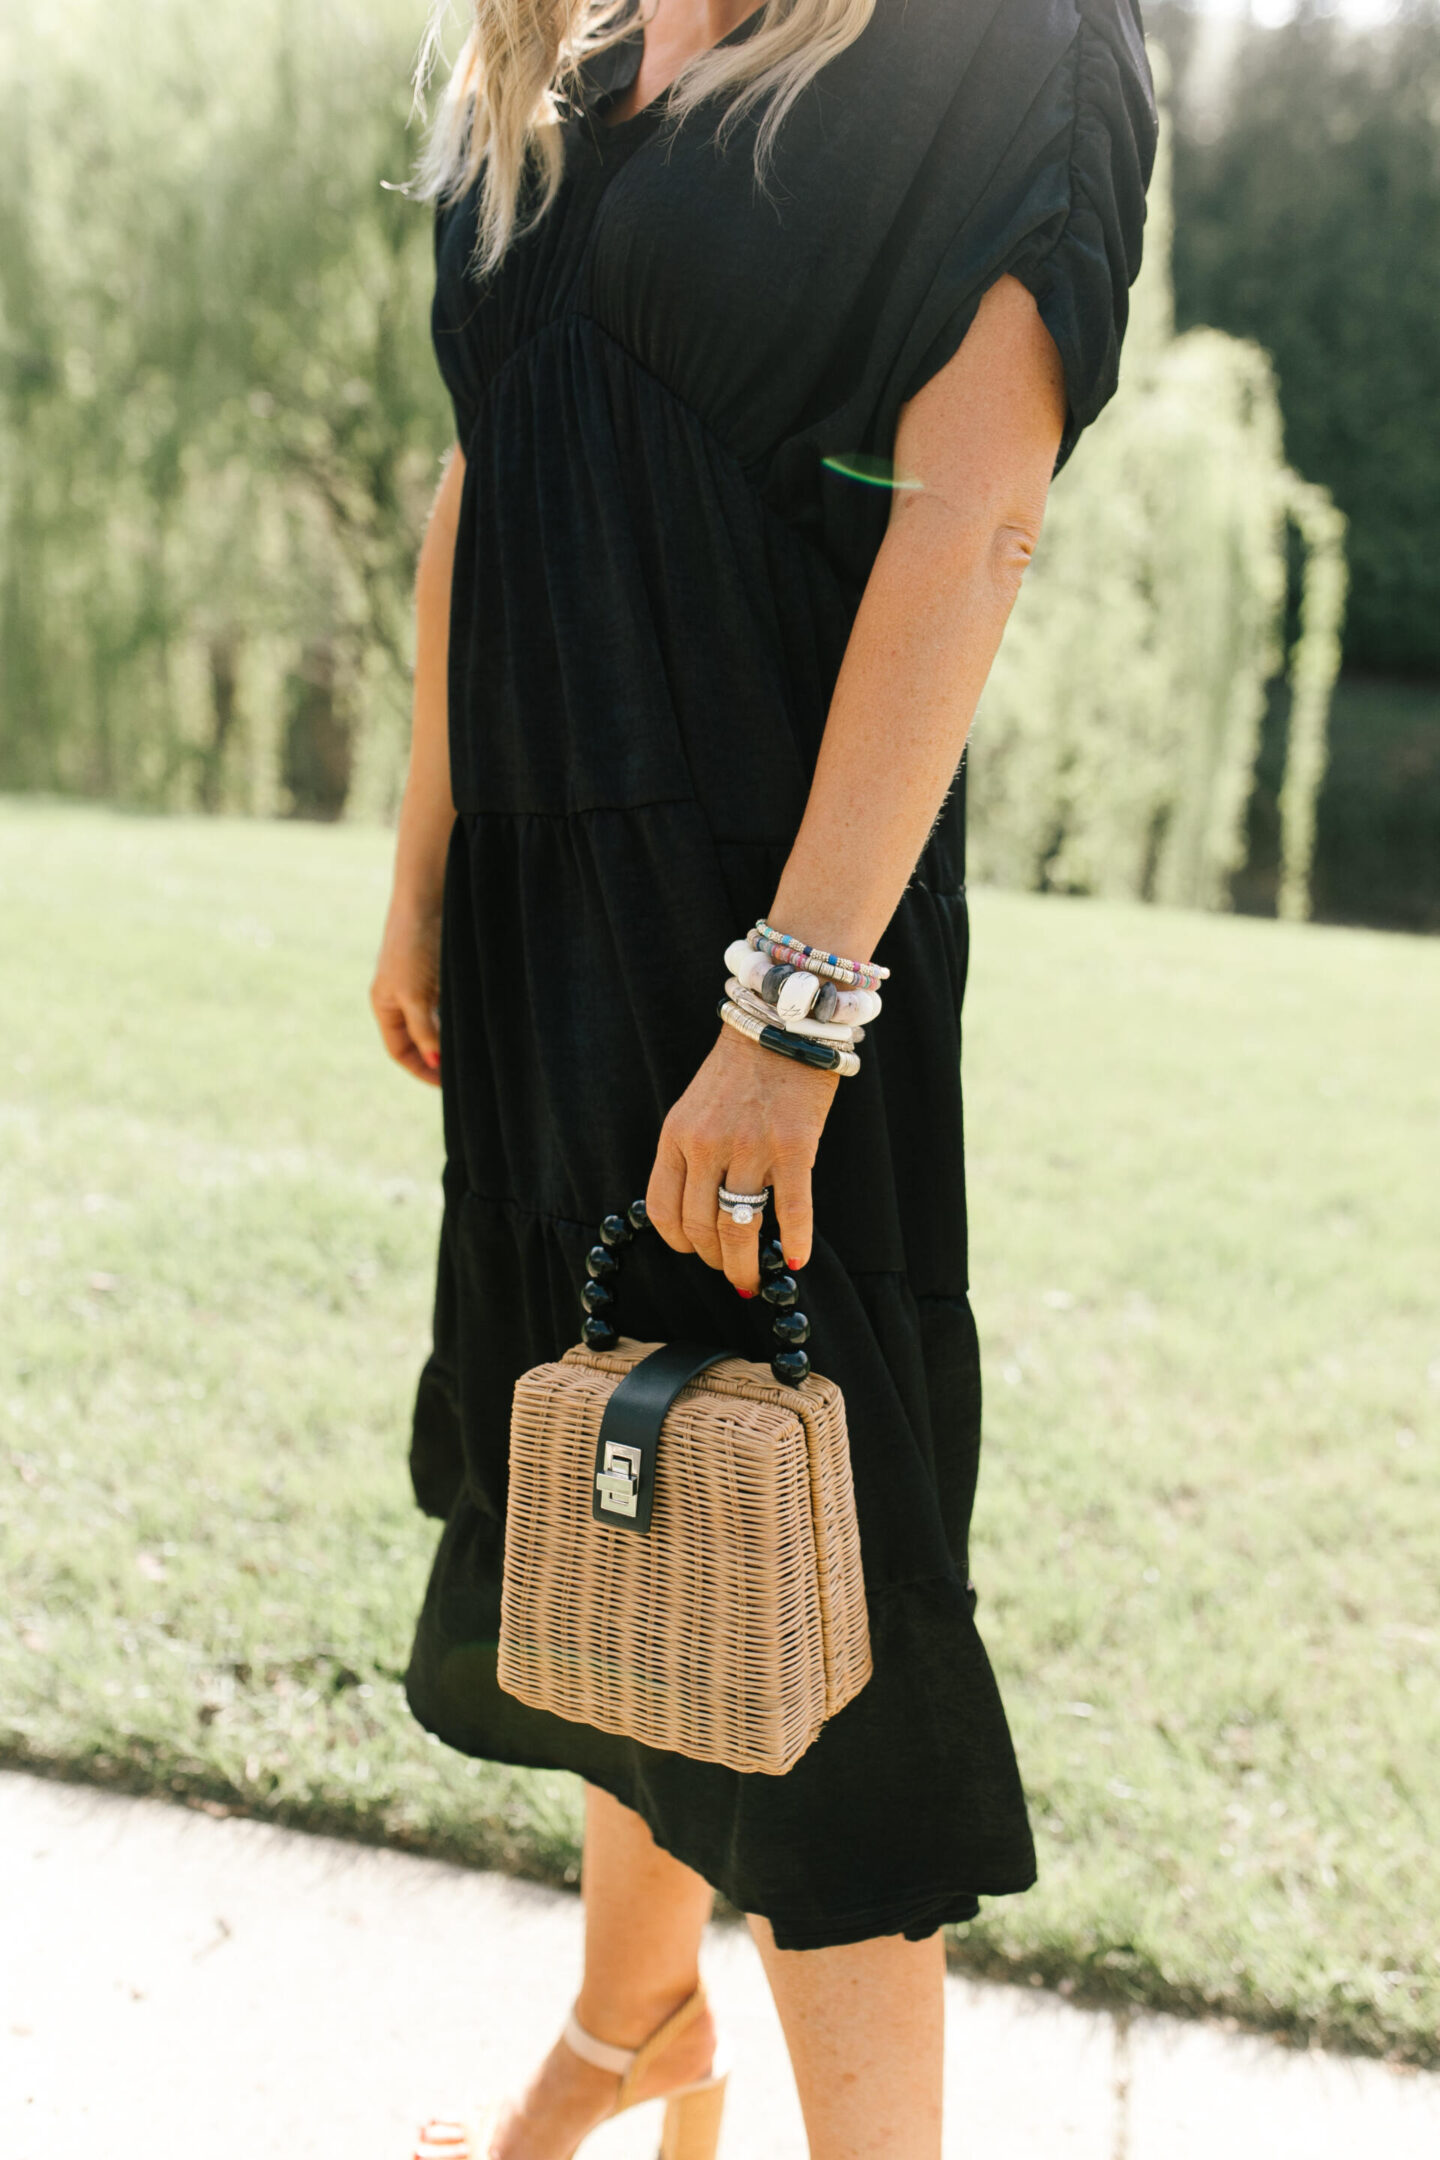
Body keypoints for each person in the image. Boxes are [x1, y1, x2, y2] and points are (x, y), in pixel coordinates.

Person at [371, 0, 1157, 2150]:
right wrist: (426, 867)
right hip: (543, 916)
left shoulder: (993, 47)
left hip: (770, 922)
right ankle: (634, 2032)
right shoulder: (567, 73)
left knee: (830, 1619)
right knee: (629, 1511)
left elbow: (972, 518)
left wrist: (787, 1019)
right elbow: (485, 482)